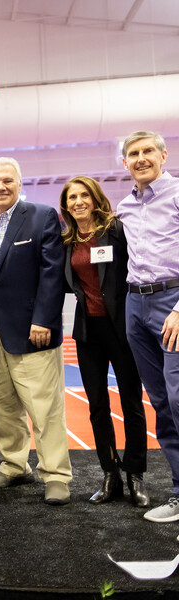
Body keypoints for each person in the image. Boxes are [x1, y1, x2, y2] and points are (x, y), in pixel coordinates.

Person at [0, 157, 72, 505]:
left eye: (7, 180)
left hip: (33, 331)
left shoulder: (42, 216)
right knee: (2, 407)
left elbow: (52, 273)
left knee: (44, 407)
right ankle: (14, 464)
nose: (0, 187)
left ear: (19, 182)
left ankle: (56, 474)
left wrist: (43, 319)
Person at [60, 176, 148, 507]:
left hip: (122, 328)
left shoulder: (117, 231)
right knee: (97, 406)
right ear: (66, 205)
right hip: (88, 333)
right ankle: (110, 473)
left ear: (95, 198)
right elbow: (65, 287)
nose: (78, 201)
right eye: (72, 197)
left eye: (84, 195)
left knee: (131, 404)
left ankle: (135, 474)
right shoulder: (67, 240)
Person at [116, 131, 179, 523]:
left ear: (163, 154)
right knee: (160, 403)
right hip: (134, 304)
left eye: (147, 151)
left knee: (178, 399)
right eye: (133, 154)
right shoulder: (125, 205)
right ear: (125, 163)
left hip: (173, 302)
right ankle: (178, 492)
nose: (140, 159)